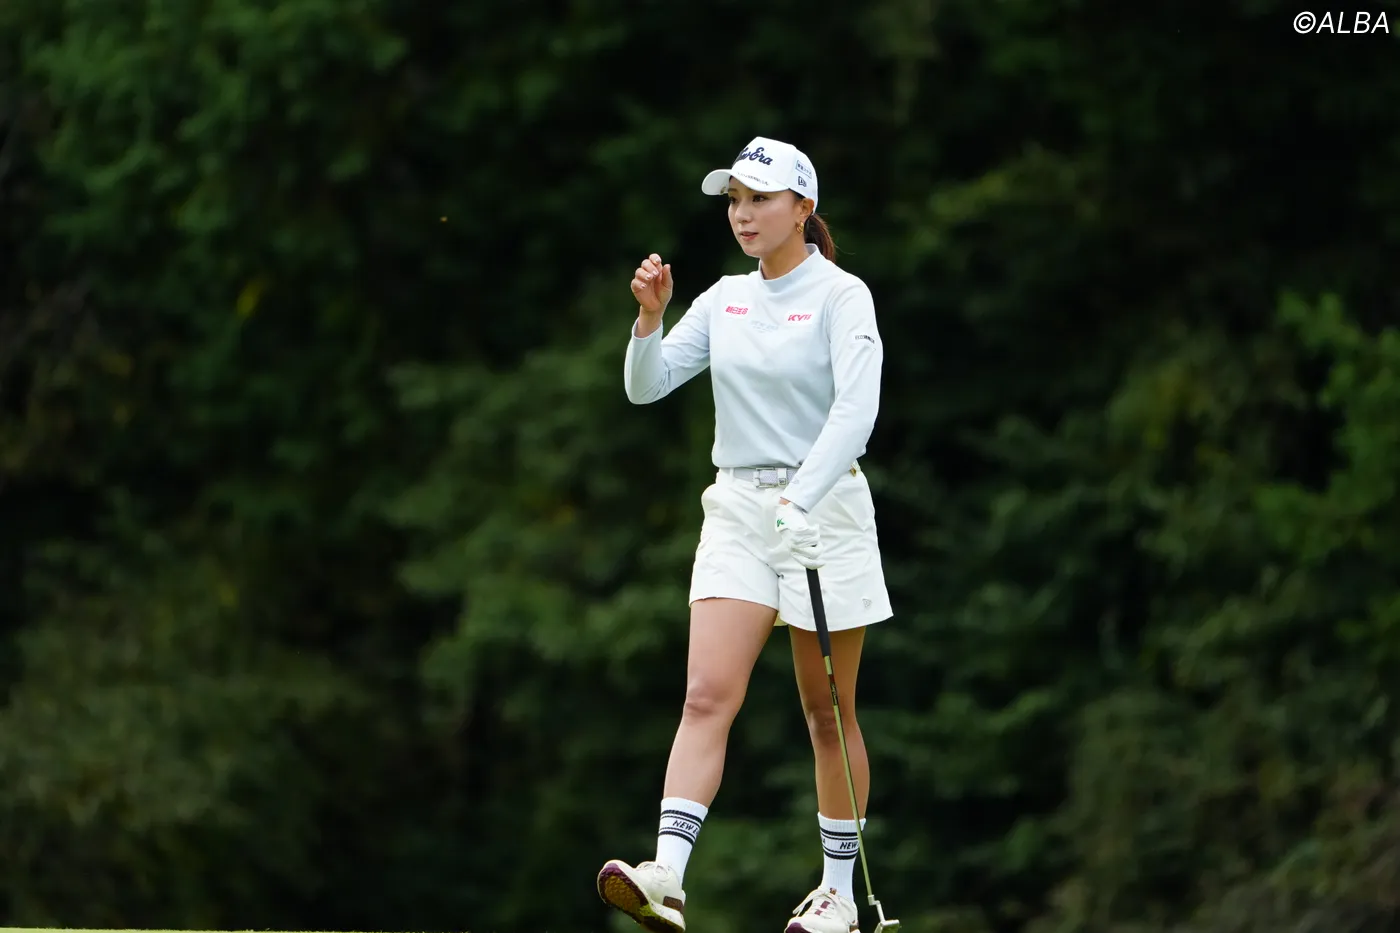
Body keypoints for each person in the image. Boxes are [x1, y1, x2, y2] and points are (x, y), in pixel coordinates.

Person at [596, 135, 892, 933]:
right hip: (738, 507)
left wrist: (801, 499)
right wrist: (649, 319)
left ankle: (837, 894)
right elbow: (648, 385)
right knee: (705, 694)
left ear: (802, 207)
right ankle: (668, 875)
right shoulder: (725, 298)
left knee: (827, 710)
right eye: (734, 200)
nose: (743, 214)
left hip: (824, 508)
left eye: (759, 198)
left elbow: (856, 411)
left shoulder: (841, 296)